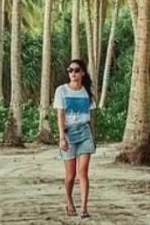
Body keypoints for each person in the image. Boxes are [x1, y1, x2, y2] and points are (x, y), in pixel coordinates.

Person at [54, 59, 96, 218]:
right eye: (70, 70)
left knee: (83, 172)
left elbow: (91, 117)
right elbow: (60, 115)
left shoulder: (87, 92)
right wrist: (61, 137)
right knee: (70, 175)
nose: (73, 73)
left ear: (83, 73)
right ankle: (69, 199)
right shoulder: (62, 91)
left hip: (85, 133)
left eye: (77, 70)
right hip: (68, 133)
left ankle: (84, 207)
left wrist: (93, 136)